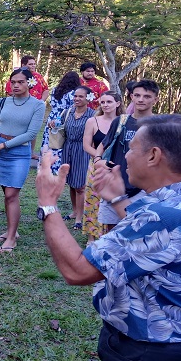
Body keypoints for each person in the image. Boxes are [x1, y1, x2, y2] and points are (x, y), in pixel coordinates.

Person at [36, 115, 181, 361]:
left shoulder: (162, 215)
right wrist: (117, 198)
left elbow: (77, 270)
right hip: (166, 346)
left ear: (153, 155)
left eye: (131, 148)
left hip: (148, 352)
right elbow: (150, 239)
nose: (125, 156)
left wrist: (47, 203)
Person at [0, 69, 45, 253]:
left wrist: (1, 147)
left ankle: (11, 239)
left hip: (18, 152)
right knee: (7, 193)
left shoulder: (38, 105)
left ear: (30, 83)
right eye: (13, 82)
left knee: (11, 194)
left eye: (20, 82)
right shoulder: (3, 102)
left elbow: (31, 134)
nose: (16, 85)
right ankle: (11, 231)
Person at [94, 79, 159, 229]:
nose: (141, 99)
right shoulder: (120, 121)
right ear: (131, 97)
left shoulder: (159, 125)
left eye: (147, 96)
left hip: (143, 189)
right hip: (114, 184)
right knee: (111, 233)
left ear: (155, 99)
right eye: (137, 95)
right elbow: (104, 144)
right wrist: (97, 160)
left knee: (137, 231)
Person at [81, 91, 122, 243]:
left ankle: (109, 235)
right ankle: (91, 237)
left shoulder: (123, 121)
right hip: (97, 166)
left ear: (117, 103)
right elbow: (86, 145)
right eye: (103, 102)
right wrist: (101, 159)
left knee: (114, 200)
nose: (105, 105)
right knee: (93, 200)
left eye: (109, 102)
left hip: (116, 167)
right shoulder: (92, 121)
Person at [61, 86, 95, 229]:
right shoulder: (67, 112)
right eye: (75, 96)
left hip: (83, 150)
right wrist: (53, 125)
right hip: (67, 149)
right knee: (71, 182)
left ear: (88, 98)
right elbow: (60, 127)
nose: (77, 99)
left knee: (80, 185)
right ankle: (74, 211)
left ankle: (80, 217)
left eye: (81, 96)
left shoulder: (93, 115)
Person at [5, 55, 48, 159]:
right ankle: (13, 148)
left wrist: (41, 102)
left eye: (34, 64)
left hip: (35, 107)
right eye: (30, 64)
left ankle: (31, 152)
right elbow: (9, 91)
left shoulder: (38, 77)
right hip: (20, 106)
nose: (33, 66)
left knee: (33, 130)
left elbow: (46, 90)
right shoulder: (17, 76)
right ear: (23, 65)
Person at [41, 71, 81, 173]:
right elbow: (73, 107)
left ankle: (46, 164)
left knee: (49, 140)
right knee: (60, 142)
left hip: (52, 116)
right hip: (64, 117)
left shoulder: (55, 90)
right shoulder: (73, 93)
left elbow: (51, 103)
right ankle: (57, 167)